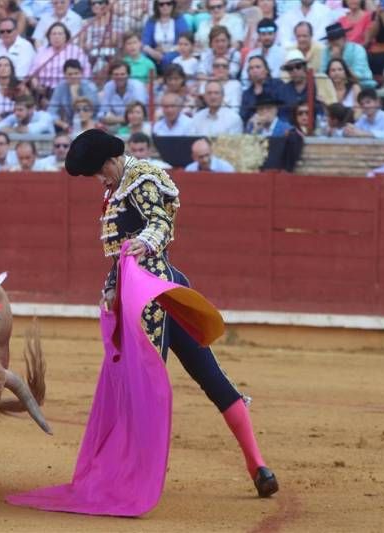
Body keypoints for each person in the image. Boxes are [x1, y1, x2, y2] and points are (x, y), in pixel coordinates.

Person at [64, 129, 276, 500]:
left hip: (151, 298)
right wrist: (111, 286)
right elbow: (120, 257)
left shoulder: (140, 178)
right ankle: (257, 465)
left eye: (101, 172)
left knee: (141, 387)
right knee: (209, 378)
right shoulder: (118, 188)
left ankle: (140, 476)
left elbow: (160, 224)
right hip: (159, 292)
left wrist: (142, 244)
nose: (101, 180)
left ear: (112, 161)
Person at [29, 21, 90, 97]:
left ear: (66, 36)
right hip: (45, 90)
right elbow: (32, 74)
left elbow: (86, 71)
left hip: (69, 89)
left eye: (60, 34)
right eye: (53, 34)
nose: (56, 37)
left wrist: (78, 86)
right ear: (49, 37)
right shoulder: (42, 51)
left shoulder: (75, 51)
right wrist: (37, 87)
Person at [47, 58, 99, 133]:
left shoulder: (90, 87)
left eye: (76, 73)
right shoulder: (60, 87)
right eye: (70, 74)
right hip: (69, 126)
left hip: (90, 125)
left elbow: (92, 112)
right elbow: (51, 112)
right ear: (64, 75)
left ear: (81, 73)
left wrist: (74, 94)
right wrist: (63, 124)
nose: (73, 77)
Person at [320, 22, 374, 89]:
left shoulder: (357, 50)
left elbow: (357, 77)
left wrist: (339, 60)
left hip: (362, 85)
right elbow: (323, 75)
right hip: (335, 87)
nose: (334, 42)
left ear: (344, 38)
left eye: (337, 38)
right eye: (331, 40)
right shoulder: (326, 51)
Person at [97, 60, 147, 130]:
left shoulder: (137, 86)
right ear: (111, 75)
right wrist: (122, 119)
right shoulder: (108, 86)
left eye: (122, 74)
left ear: (128, 75)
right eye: (116, 74)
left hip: (136, 127)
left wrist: (113, 118)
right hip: (114, 126)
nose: (119, 77)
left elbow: (140, 115)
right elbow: (102, 114)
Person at [141, 0, 189, 70]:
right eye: (161, 4)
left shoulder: (179, 19)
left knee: (167, 58)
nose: (165, 6)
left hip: (175, 51)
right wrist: (153, 52)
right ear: (156, 6)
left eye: (169, 3)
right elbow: (145, 43)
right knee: (143, 56)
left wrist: (166, 50)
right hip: (155, 52)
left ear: (173, 5)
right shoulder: (151, 21)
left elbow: (185, 40)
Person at [0, 16, 34, 81]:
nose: (5, 33)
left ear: (16, 31)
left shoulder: (25, 46)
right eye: (2, 31)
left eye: (9, 31)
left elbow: (21, 74)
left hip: (16, 85)